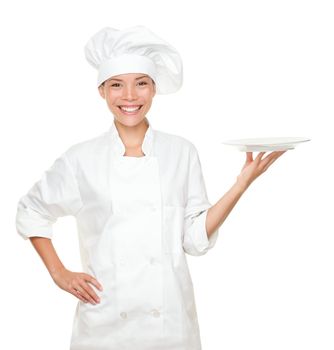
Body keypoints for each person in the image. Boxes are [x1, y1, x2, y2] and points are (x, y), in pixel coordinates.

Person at [15, 25, 286, 350]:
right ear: (102, 91)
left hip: (170, 323)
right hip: (105, 323)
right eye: (117, 85)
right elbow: (32, 210)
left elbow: (194, 240)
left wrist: (241, 184)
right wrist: (59, 273)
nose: (129, 96)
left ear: (154, 89)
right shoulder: (81, 158)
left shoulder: (181, 151)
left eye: (140, 84)